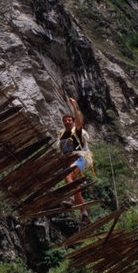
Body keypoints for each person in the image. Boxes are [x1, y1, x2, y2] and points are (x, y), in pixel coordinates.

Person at [59, 96, 92, 225]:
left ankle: (72, 200)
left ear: (72, 122)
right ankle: (85, 215)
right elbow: (62, 150)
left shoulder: (76, 132)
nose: (67, 122)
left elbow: (79, 122)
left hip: (80, 158)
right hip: (69, 161)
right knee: (75, 186)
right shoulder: (62, 135)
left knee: (68, 174)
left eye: (69, 120)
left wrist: (74, 106)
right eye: (65, 121)